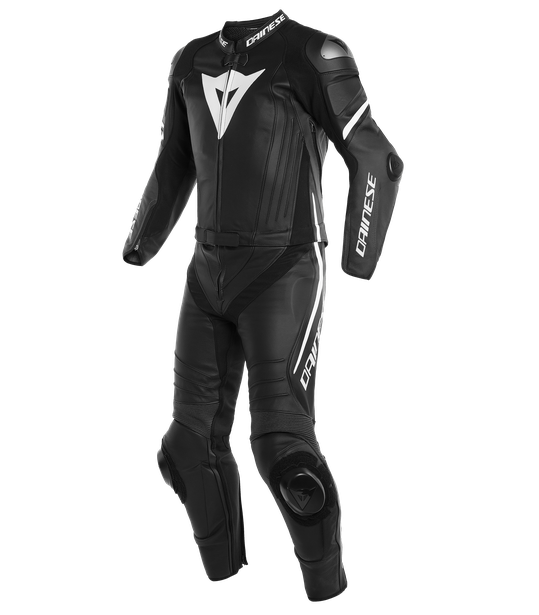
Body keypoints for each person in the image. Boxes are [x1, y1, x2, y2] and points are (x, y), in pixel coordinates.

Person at [121, 9, 404, 603]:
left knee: (285, 453)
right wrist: (141, 245)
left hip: (284, 269)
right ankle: (225, 581)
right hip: (206, 274)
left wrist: (359, 256)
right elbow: (174, 161)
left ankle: (328, 592)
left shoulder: (313, 53)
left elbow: (376, 158)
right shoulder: (190, 60)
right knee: (187, 449)